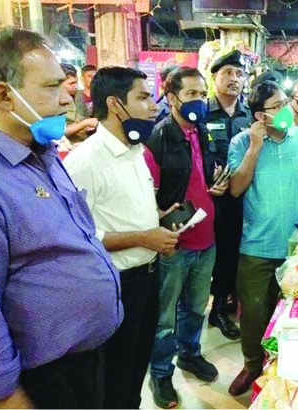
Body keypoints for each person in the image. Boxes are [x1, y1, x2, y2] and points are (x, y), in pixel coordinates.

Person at [0, 27, 122, 409]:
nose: (69, 98)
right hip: (40, 379)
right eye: (51, 87)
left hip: (85, 361)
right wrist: (3, 397)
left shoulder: (40, 153)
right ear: (2, 95)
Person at [64, 66, 179, 408]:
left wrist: (158, 223)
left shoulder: (136, 151)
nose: (154, 106)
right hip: (116, 283)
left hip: (147, 276)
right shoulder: (85, 160)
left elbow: (122, 210)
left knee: (135, 369)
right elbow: (77, 235)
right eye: (143, 98)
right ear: (115, 105)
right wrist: (144, 237)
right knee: (114, 374)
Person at [227, 80, 298, 396]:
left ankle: (281, 369)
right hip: (256, 245)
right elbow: (236, 188)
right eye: (277, 106)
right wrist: (256, 148)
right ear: (260, 116)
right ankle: (252, 365)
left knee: (291, 313)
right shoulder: (241, 143)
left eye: (287, 102)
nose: (287, 109)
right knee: (254, 312)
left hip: (296, 244)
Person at [145, 67, 228, 408]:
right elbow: (147, 193)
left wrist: (216, 185)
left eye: (201, 93)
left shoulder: (203, 131)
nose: (199, 100)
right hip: (174, 244)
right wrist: (159, 216)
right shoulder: (158, 137)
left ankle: (189, 354)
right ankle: (161, 373)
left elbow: (203, 176)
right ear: (171, 96)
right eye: (191, 94)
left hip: (206, 238)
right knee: (165, 317)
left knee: (195, 308)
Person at [206, 50, 253, 340]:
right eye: (228, 73)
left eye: (239, 74)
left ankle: (225, 302)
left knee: (234, 251)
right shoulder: (201, 111)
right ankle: (216, 307)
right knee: (216, 254)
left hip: (243, 197)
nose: (234, 79)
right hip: (211, 197)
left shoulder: (249, 114)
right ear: (215, 77)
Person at [60, 63, 98, 142]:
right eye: (71, 83)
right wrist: (84, 123)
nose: (76, 86)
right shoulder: (52, 103)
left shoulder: (75, 97)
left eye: (76, 82)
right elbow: (59, 133)